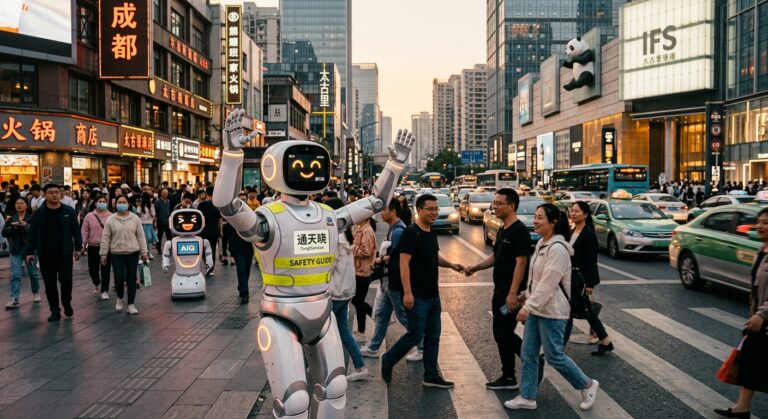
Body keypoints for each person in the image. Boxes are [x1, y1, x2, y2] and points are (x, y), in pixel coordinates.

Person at [505, 203, 599, 411]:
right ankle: (528, 397)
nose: (535, 221)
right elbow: (537, 280)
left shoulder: (558, 249)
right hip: (538, 308)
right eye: (535, 217)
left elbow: (549, 283)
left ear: (554, 222)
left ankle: (588, 384)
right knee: (528, 354)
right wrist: (526, 296)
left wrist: (527, 307)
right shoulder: (541, 244)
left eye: (540, 218)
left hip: (553, 311)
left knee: (554, 355)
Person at [381, 194, 465, 388]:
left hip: (432, 295)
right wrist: (408, 293)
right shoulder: (411, 233)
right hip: (417, 295)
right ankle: (389, 359)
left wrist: (452, 265)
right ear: (419, 210)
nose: (434, 212)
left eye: (436, 208)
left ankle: (430, 375)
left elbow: (434, 257)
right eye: (430, 209)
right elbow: (404, 263)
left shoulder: (430, 231)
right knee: (415, 334)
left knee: (434, 335)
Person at [465, 188, 540, 390]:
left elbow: (521, 262)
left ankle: (511, 375)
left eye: (499, 203)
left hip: (510, 295)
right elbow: (496, 257)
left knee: (503, 331)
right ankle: (515, 371)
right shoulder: (503, 228)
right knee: (501, 332)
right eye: (494, 203)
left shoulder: (519, 231)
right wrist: (476, 267)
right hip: (501, 292)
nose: (494, 207)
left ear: (512, 205)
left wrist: (513, 293)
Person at [713, 207, 768, 419]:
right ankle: (742, 408)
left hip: (763, 319)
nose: (760, 226)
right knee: (749, 362)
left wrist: (761, 314)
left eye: (766, 223)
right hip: (759, 321)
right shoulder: (761, 251)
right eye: (759, 221)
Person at [360, 198, 411, 358]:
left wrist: (380, 260)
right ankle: (374, 347)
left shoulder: (398, 231)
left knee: (403, 317)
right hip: (386, 281)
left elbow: (397, 258)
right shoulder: (394, 228)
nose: (381, 213)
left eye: (384, 210)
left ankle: (422, 345)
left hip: (393, 281)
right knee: (382, 315)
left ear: (393, 211)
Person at [25, 184, 83, 322]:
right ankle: (54, 310)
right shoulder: (39, 213)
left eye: (57, 192)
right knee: (49, 284)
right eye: (51, 193)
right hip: (45, 254)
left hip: (65, 252)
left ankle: (66, 302)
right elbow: (32, 234)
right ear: (45, 195)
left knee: (66, 280)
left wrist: (78, 248)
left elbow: (76, 231)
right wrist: (30, 252)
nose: (54, 195)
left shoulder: (68, 211)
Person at [326, 197, 369, 382]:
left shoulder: (334, 237)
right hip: (345, 291)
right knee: (343, 330)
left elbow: (329, 265)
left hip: (335, 291)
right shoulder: (345, 233)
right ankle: (360, 366)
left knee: (322, 332)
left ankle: (323, 367)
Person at [564, 201, 613, 355]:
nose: (573, 214)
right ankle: (606, 342)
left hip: (582, 280)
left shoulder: (588, 234)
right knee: (586, 312)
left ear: (585, 214)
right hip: (573, 278)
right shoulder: (573, 231)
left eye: (577, 211)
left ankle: (558, 348)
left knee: (571, 312)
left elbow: (591, 261)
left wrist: (589, 284)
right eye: (572, 211)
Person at [100, 195, 148, 315]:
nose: (121, 204)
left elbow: (141, 236)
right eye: (119, 202)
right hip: (116, 253)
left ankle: (131, 304)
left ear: (128, 204)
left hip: (132, 252)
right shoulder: (111, 219)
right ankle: (120, 297)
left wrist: (144, 252)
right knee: (119, 278)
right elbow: (105, 237)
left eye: (124, 202)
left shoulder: (135, 218)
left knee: (132, 278)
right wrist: (103, 254)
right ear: (115, 204)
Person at [3, 197, 41, 308]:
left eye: (22, 203)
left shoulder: (32, 217)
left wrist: (25, 226)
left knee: (33, 273)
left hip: (29, 249)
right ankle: (14, 298)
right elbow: (4, 233)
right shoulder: (11, 218)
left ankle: (36, 291)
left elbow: (35, 232)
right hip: (15, 249)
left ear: (26, 205)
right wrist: (11, 227)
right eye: (17, 203)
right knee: (15, 274)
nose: (19, 205)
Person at [81, 195, 113, 300]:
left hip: (107, 247)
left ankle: (104, 290)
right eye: (100, 201)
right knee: (92, 268)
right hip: (93, 246)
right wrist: (83, 244)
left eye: (104, 201)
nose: (102, 203)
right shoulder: (89, 216)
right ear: (95, 203)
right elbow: (84, 231)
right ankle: (96, 282)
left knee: (106, 269)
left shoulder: (111, 216)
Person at [351, 216, 376, 338]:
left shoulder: (367, 231)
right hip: (357, 270)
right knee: (355, 300)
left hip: (363, 271)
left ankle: (361, 331)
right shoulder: (359, 228)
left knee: (358, 301)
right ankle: (375, 315)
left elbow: (366, 252)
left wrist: (352, 248)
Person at [229, 196, 254, 304]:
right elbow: (227, 233)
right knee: (241, 269)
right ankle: (245, 293)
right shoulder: (231, 216)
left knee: (247, 268)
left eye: (244, 199)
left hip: (248, 246)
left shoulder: (250, 214)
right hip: (237, 247)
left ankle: (242, 286)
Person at [197, 186, 221, 275]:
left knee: (203, 249)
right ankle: (211, 267)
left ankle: (208, 265)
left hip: (203, 231)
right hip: (214, 230)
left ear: (206, 194)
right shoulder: (217, 205)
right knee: (213, 249)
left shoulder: (201, 205)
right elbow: (220, 219)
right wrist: (221, 230)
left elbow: (198, 218)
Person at [136, 192, 157, 260]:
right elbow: (138, 214)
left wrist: (150, 210)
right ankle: (143, 253)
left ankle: (149, 253)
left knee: (149, 239)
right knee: (142, 239)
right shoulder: (140, 206)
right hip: (142, 224)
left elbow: (153, 215)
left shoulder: (151, 206)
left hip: (149, 224)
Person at [154, 188, 172, 255]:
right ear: (161, 194)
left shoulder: (168, 201)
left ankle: (170, 249)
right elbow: (155, 212)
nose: (165, 195)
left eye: (166, 193)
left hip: (167, 221)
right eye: (164, 193)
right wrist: (155, 221)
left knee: (169, 236)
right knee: (159, 236)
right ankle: (158, 249)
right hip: (160, 221)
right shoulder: (157, 202)